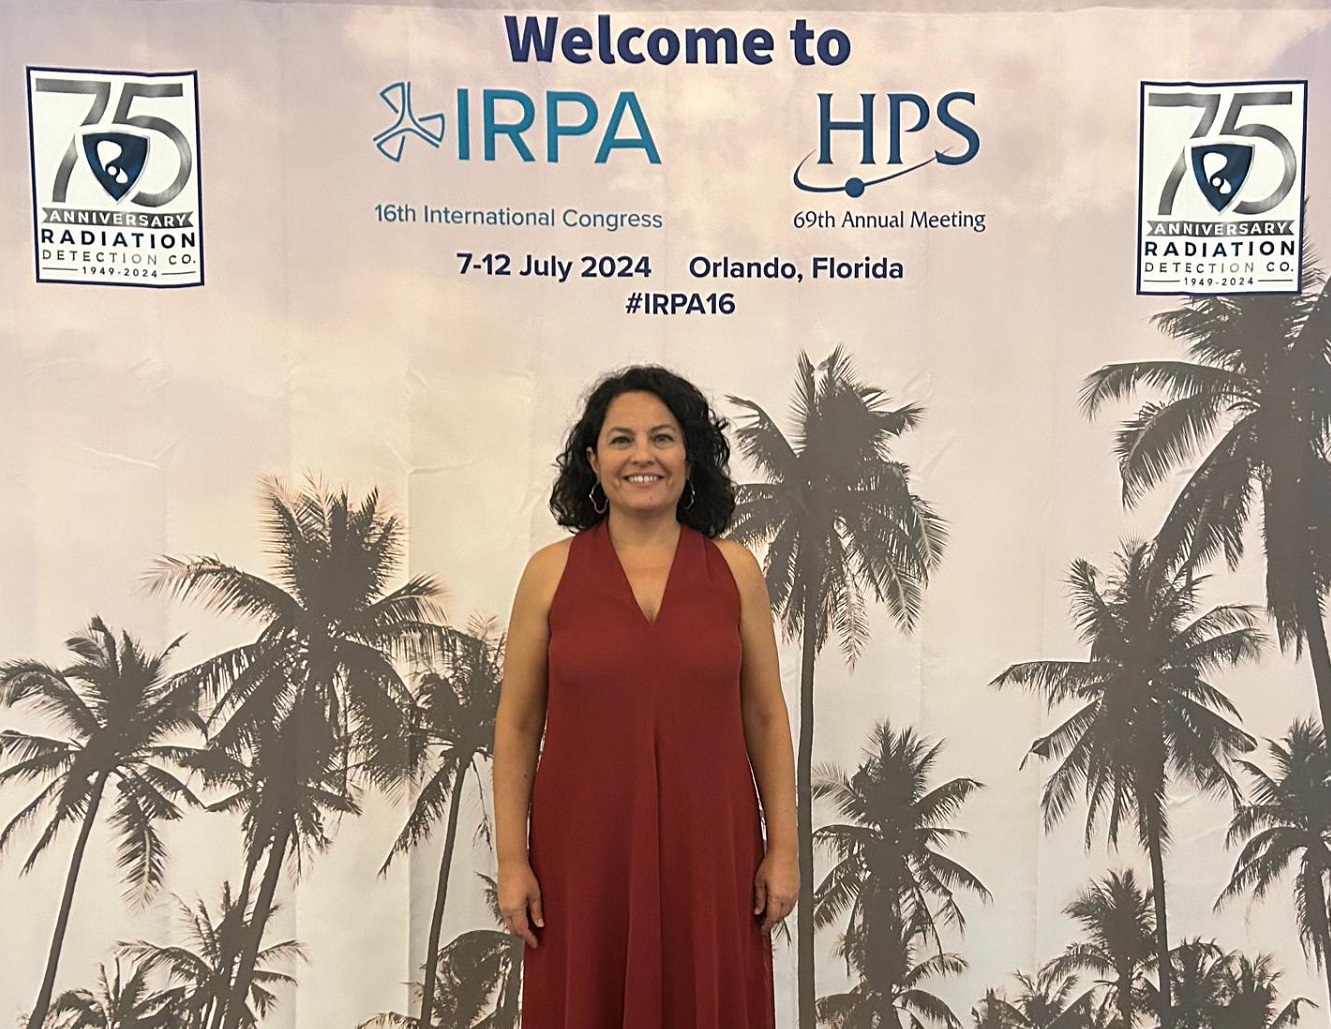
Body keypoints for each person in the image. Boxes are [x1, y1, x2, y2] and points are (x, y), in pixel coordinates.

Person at [492, 365, 799, 1029]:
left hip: (711, 849)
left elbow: (765, 715)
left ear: (690, 456)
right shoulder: (549, 573)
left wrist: (784, 848)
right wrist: (512, 861)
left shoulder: (735, 570)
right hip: (584, 853)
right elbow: (516, 723)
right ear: (592, 459)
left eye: (662, 437)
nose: (642, 455)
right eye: (621, 439)